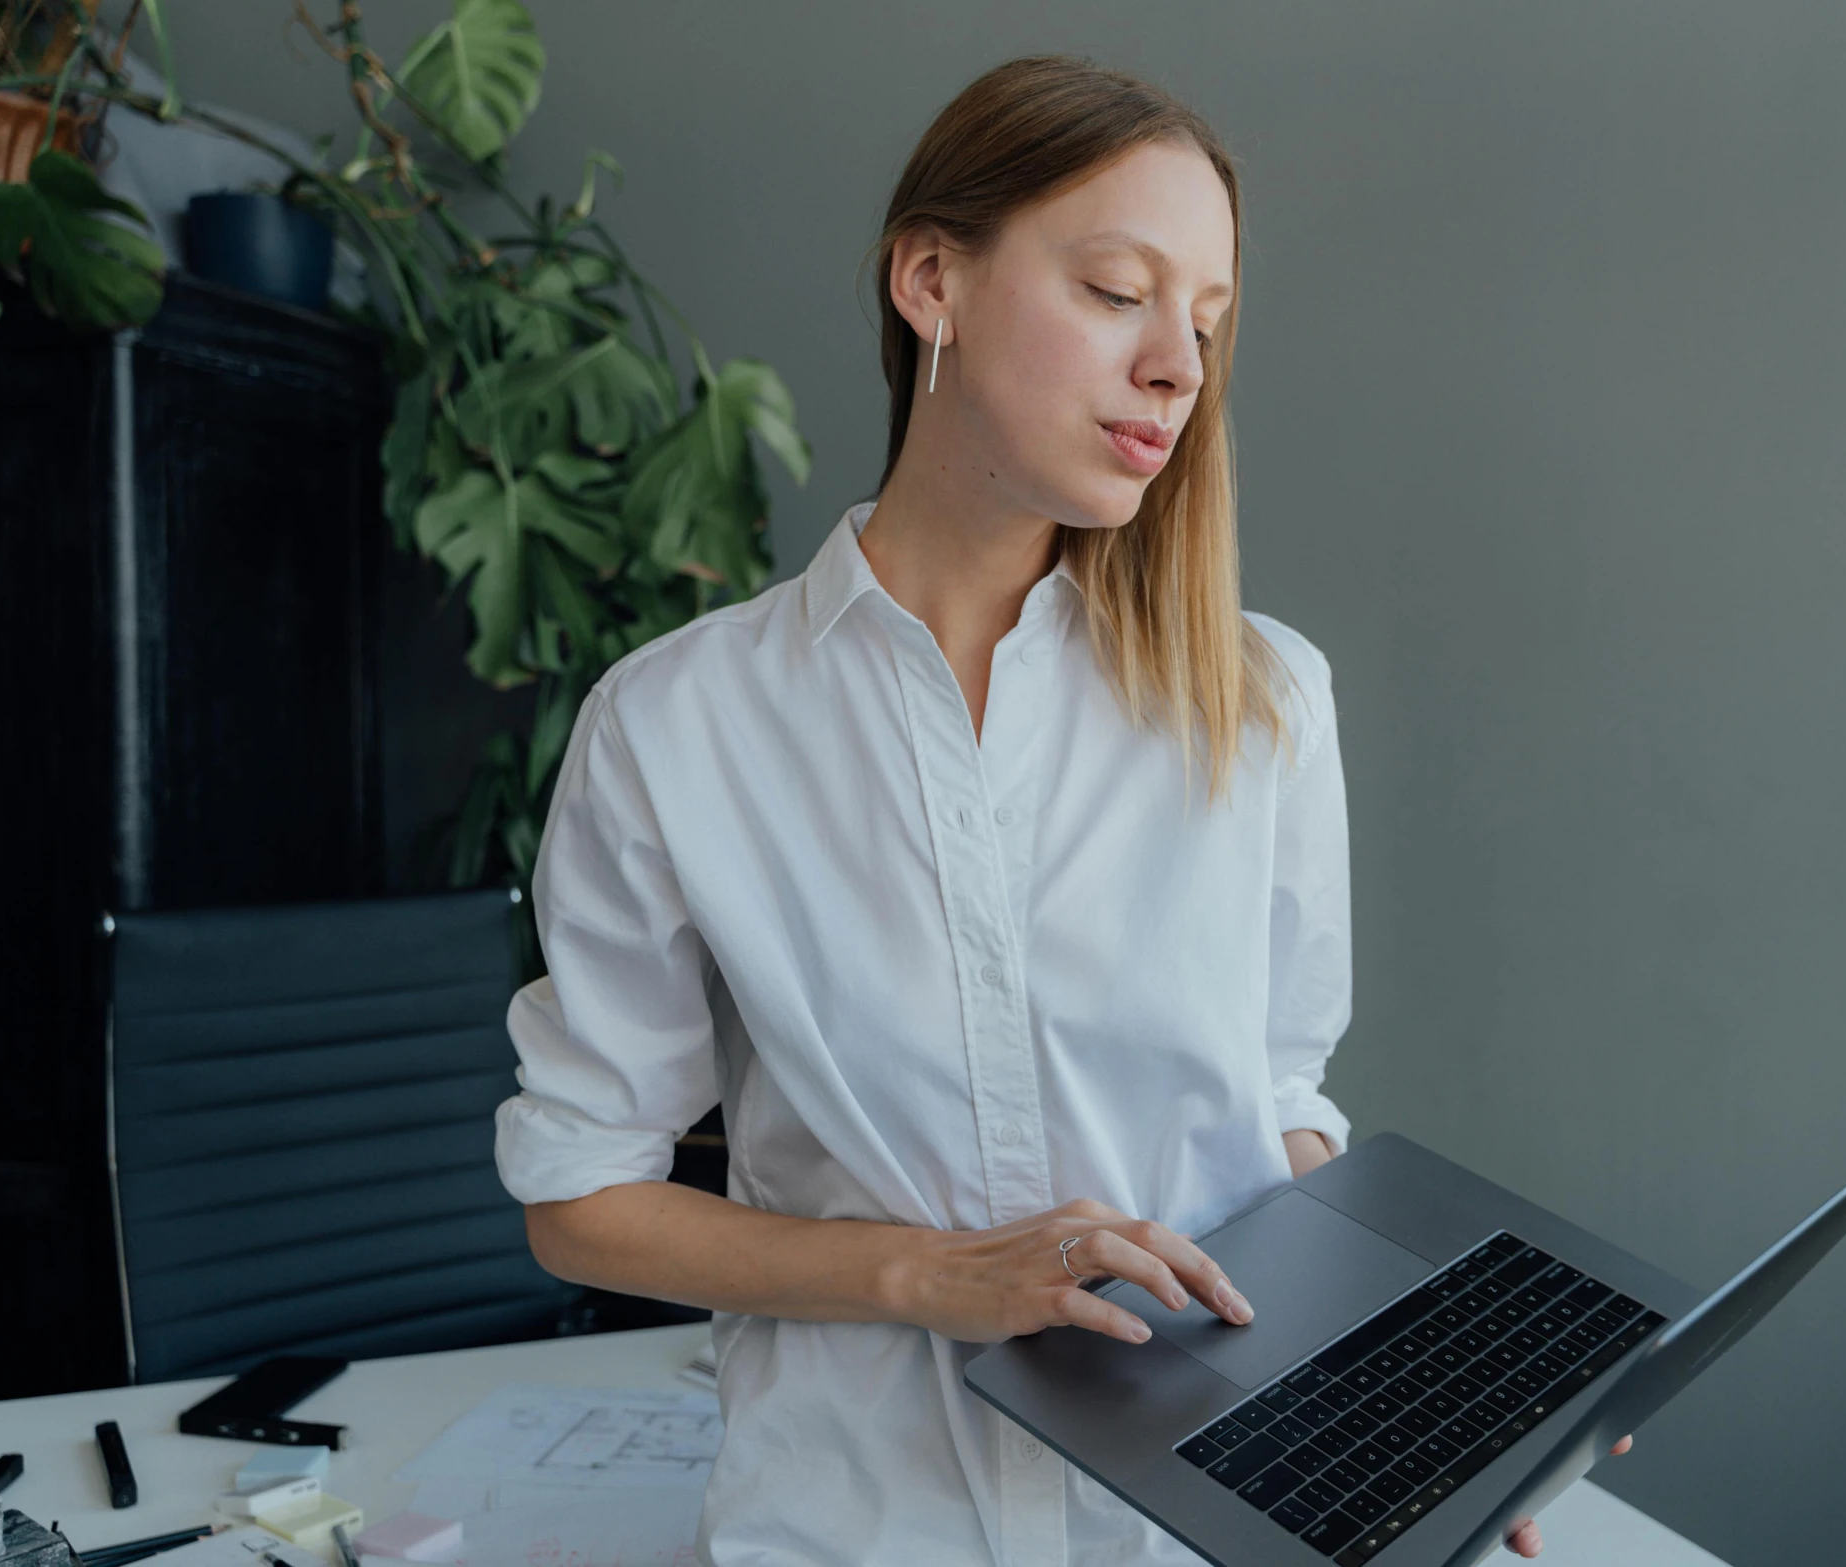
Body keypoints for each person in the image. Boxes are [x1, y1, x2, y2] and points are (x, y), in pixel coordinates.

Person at [492, 53, 1624, 1566]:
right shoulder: (677, 725)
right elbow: (581, 1199)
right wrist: (930, 1275)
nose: (1177, 365)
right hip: (854, 1528)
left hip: (1211, 1530)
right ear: (930, 281)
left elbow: (1276, 1116)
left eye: (1207, 324)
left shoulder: (1263, 698)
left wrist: (1434, 1401)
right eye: (1116, 290)